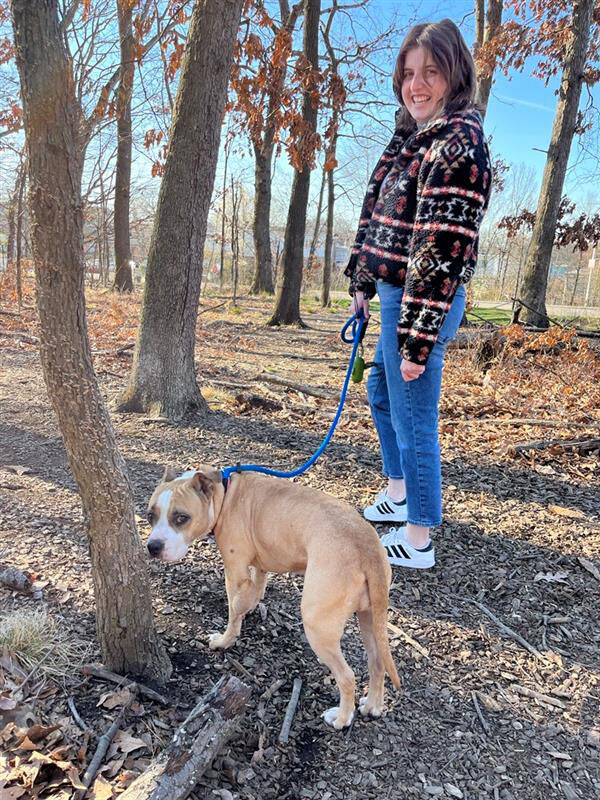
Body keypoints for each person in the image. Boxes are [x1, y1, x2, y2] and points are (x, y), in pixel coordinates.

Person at [346, 19, 493, 569]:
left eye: (431, 71)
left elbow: (440, 248)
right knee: (381, 392)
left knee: (414, 417)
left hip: (422, 302)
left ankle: (419, 538)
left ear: (455, 74)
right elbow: (381, 217)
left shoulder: (458, 144)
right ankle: (400, 493)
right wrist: (363, 280)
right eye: (409, 73)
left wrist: (416, 338)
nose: (417, 84)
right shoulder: (412, 137)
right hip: (393, 293)